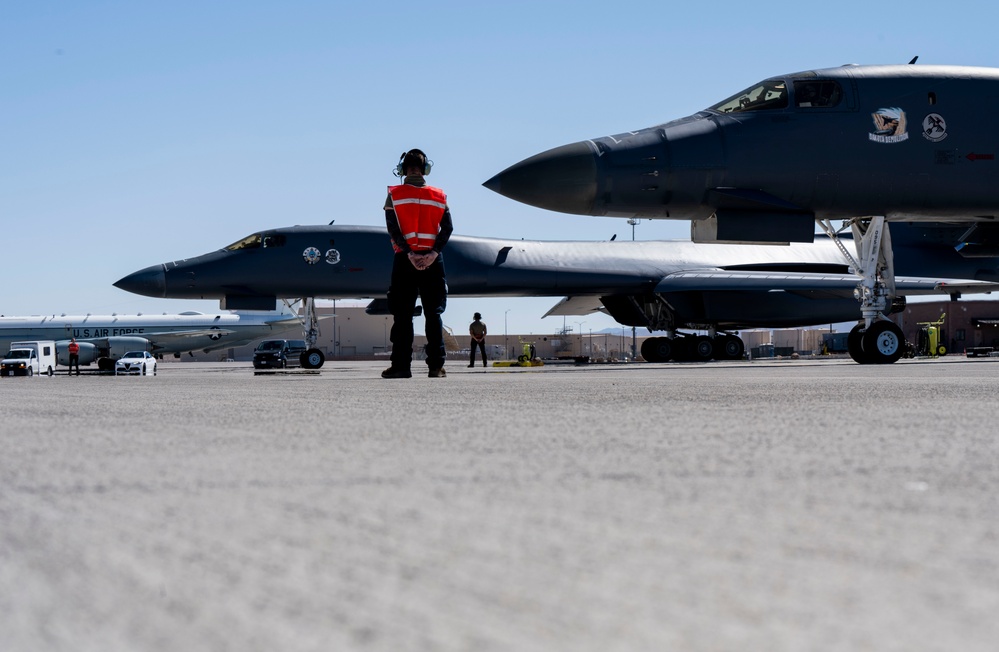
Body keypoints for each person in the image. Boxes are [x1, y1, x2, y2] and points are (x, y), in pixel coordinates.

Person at [381, 148, 453, 379]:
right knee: (434, 314)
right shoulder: (440, 195)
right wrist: (432, 253)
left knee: (403, 315)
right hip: (434, 260)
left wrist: (409, 253)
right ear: (425, 170)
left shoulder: (395, 194)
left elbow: (393, 228)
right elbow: (448, 228)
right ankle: (436, 367)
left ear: (402, 170)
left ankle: (401, 366)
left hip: (405, 260)